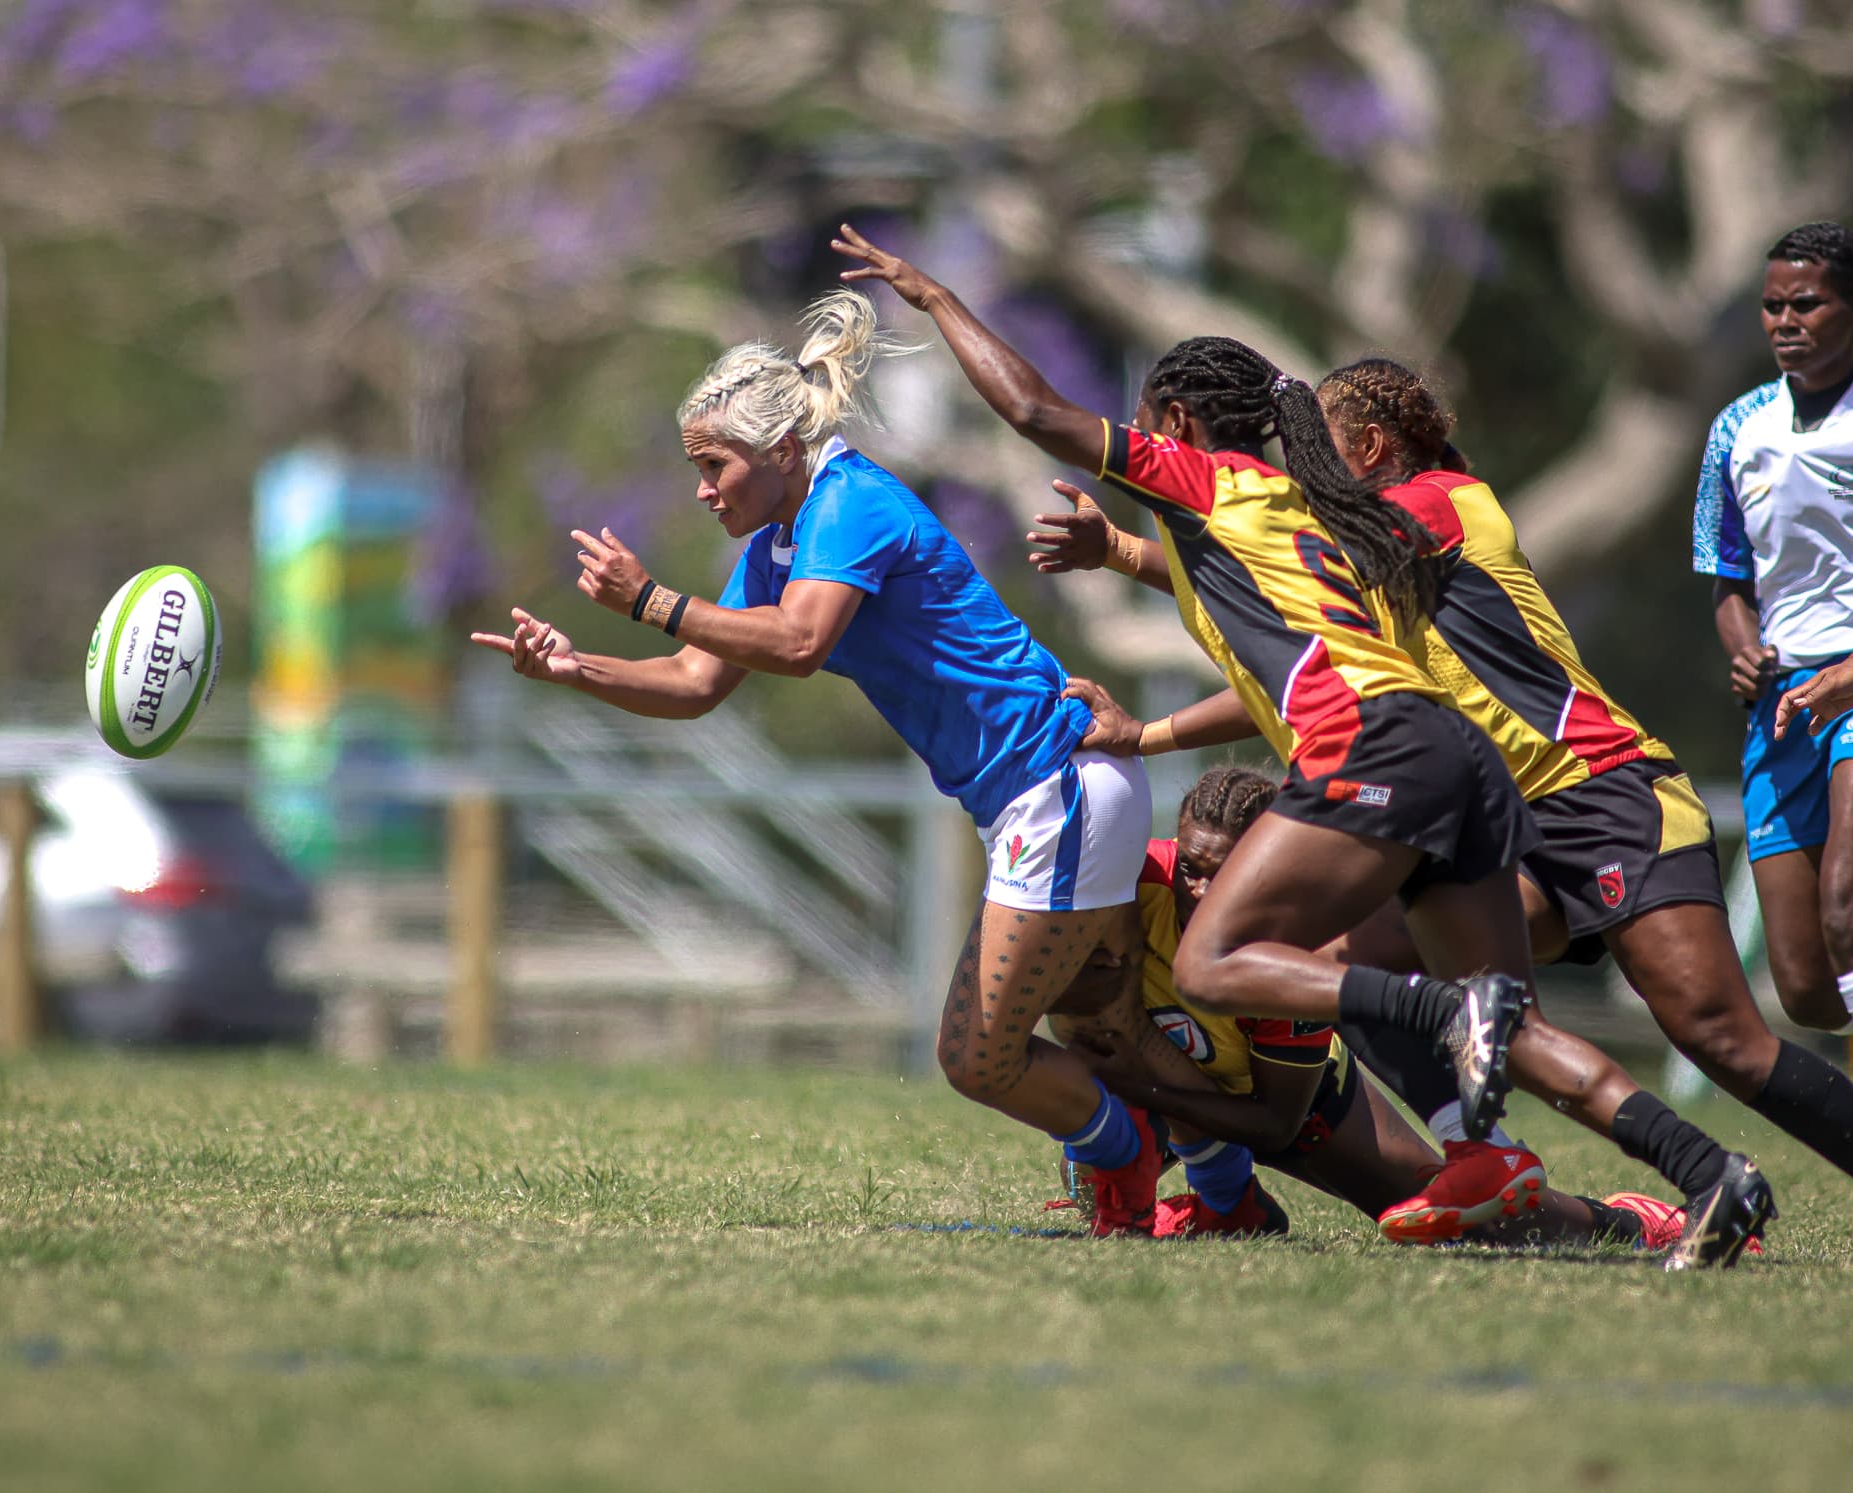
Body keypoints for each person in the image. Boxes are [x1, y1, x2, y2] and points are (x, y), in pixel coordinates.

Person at [831, 223, 1772, 1268]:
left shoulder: (1206, 480)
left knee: (1216, 958)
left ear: (1179, 425)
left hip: (1376, 752)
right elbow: (1291, 653)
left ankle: (1439, 1012)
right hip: (1454, 755)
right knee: (1512, 1033)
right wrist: (1123, 572)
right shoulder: (1306, 509)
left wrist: (935, 298)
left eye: (1152, 425)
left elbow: (1032, 411)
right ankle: (1704, 1174)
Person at [1044, 357, 1853, 1229]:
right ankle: (1494, 1156)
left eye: (1326, 446)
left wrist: (1128, 550)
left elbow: (1291, 549)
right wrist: (1141, 711)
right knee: (1356, 967)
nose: (1308, 468)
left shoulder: (1443, 502)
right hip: (1509, 823)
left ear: (1371, 444)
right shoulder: (1366, 564)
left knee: (1720, 1038)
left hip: (1604, 792)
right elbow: (1271, 611)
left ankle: (1673, 1172)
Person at [468, 288, 1181, 1238]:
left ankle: (1131, 1154)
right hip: (1033, 800)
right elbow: (694, 681)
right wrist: (573, 667)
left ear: (781, 452)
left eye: (712, 465)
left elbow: (799, 643)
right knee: (1094, 1028)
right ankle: (1186, 1175)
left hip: (1058, 786)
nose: (700, 488)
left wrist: (649, 597)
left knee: (981, 1055)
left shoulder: (852, 503)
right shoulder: (780, 538)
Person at [1062, 766, 1702, 1254]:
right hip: (1197, 1092)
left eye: (1221, 874)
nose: (1199, 891)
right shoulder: (1134, 884)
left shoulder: (1289, 941)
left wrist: (1144, 1092)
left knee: (1473, 1229)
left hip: (1302, 1105)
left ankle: (1634, 1222)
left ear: (1258, 869)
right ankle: (1228, 1206)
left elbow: (1276, 1122)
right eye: (1191, 868)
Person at [1697, 223, 1853, 1034]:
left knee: (1844, 901)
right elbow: (1729, 582)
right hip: (1784, 703)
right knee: (1801, 984)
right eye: (1771, 307)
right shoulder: (1738, 428)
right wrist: (1745, 652)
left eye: (1807, 304)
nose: (1785, 321)